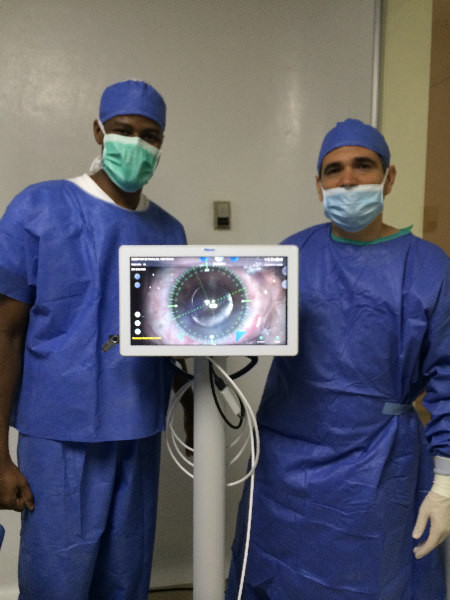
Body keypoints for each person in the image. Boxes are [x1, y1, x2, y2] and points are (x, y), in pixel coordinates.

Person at [226, 119, 450, 599]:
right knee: (276, 573)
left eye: (362, 166)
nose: (348, 180)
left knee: (372, 580)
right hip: (286, 461)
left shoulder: (428, 266)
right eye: (334, 170)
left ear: (388, 177)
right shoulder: (292, 253)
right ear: (319, 184)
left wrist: (446, 482)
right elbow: (247, 332)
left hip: (379, 466)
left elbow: (449, 376)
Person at [0, 79, 188, 599]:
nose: (136, 144)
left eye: (149, 136)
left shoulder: (169, 232)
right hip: (59, 438)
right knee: (57, 578)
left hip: (138, 432)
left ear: (162, 143)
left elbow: (170, 338)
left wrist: (192, 397)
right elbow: (5, 333)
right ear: (99, 131)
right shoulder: (39, 208)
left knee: (126, 577)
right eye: (123, 130)